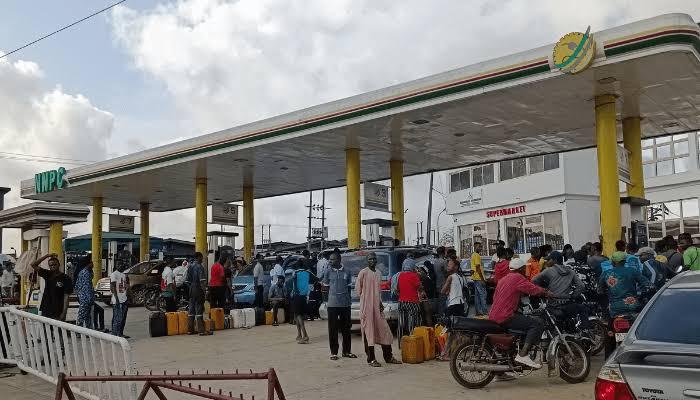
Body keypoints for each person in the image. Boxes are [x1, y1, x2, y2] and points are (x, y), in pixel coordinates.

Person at [489, 258, 550, 369]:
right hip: (505, 316)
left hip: (494, 315)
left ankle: (500, 371)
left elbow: (498, 296)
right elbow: (532, 289)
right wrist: (545, 292)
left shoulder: (503, 279)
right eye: (524, 268)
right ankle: (523, 354)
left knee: (521, 321)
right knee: (536, 323)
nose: (525, 270)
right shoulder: (517, 277)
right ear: (521, 269)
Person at [599, 251, 651, 357]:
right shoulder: (633, 271)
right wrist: (641, 296)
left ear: (613, 262)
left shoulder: (606, 274)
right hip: (634, 306)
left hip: (615, 309)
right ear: (624, 261)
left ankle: (608, 360)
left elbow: (600, 291)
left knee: (610, 335)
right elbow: (649, 285)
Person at [357, 252, 402, 367]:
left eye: (374, 259)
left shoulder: (378, 273)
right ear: (367, 261)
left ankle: (388, 356)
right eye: (370, 259)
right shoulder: (363, 273)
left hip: (377, 307)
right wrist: (367, 301)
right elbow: (359, 290)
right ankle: (371, 359)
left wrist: (379, 302)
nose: (372, 260)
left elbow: (378, 291)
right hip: (367, 307)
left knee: (384, 331)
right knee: (369, 332)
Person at [532, 251, 588, 327]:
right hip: (568, 305)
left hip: (553, 305)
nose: (547, 261)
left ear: (554, 260)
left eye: (549, 259)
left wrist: (543, 290)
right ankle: (585, 329)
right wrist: (573, 296)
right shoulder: (570, 271)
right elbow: (581, 286)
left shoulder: (548, 271)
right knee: (583, 308)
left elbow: (533, 280)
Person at [323, 252, 355, 360]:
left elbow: (349, 287)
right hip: (332, 305)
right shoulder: (327, 272)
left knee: (346, 328)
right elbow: (326, 288)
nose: (330, 261)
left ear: (339, 260)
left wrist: (348, 300)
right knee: (333, 329)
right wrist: (329, 300)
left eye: (332, 259)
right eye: (330, 259)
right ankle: (334, 352)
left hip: (345, 304)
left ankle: (346, 351)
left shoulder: (347, 272)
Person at [31, 253, 72, 321]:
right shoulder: (47, 274)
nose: (53, 266)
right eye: (51, 265)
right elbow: (33, 264)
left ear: (59, 264)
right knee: (45, 330)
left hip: (58, 310)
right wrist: (47, 256)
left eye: (55, 264)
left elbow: (66, 296)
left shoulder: (66, 278)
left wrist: (64, 313)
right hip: (46, 308)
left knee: (57, 330)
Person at [290, 256, 317, 343]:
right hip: (304, 296)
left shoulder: (295, 272)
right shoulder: (307, 272)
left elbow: (294, 281)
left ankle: (305, 335)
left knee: (298, 315)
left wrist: (297, 290)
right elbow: (316, 279)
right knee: (296, 315)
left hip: (296, 296)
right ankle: (299, 334)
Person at [397, 256, 423, 341]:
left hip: (401, 302)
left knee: (401, 323)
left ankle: (401, 342)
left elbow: (397, 288)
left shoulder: (400, 275)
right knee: (412, 323)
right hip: (412, 302)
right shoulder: (414, 276)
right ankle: (412, 343)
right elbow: (419, 287)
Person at [186, 252, 211, 336]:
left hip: (191, 290)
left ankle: (190, 330)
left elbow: (187, 281)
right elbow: (202, 281)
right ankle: (201, 330)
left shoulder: (190, 266)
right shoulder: (200, 267)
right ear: (198, 257)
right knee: (199, 309)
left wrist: (191, 288)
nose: (202, 259)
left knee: (191, 309)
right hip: (198, 289)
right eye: (201, 257)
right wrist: (205, 291)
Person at [110, 261, 130, 338]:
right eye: (118, 264)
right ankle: (114, 335)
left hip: (124, 299)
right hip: (117, 300)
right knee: (117, 319)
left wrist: (128, 297)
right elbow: (113, 287)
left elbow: (126, 287)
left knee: (123, 319)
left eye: (121, 264)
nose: (120, 265)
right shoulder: (114, 274)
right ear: (116, 265)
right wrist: (117, 300)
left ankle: (120, 333)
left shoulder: (124, 275)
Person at [74, 258, 95, 329]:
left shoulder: (82, 272)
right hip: (86, 298)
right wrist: (91, 299)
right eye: (91, 263)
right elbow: (88, 288)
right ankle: (79, 331)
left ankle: (86, 330)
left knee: (85, 315)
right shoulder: (86, 273)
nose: (93, 264)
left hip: (82, 297)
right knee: (83, 315)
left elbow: (76, 286)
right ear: (88, 264)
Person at [471, 242, 488, 317]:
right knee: (483, 295)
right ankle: (484, 311)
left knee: (477, 296)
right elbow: (478, 267)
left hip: (475, 278)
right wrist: (482, 279)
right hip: (478, 278)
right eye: (479, 247)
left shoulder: (473, 255)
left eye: (481, 247)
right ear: (475, 247)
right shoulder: (476, 255)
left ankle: (478, 311)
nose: (480, 248)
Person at [433, 246, 448, 316]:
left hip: (437, 283)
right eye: (445, 251)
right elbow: (446, 273)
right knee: (443, 302)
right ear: (443, 252)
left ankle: (439, 315)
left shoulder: (435, 262)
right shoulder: (444, 261)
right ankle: (442, 317)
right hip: (443, 284)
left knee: (440, 301)